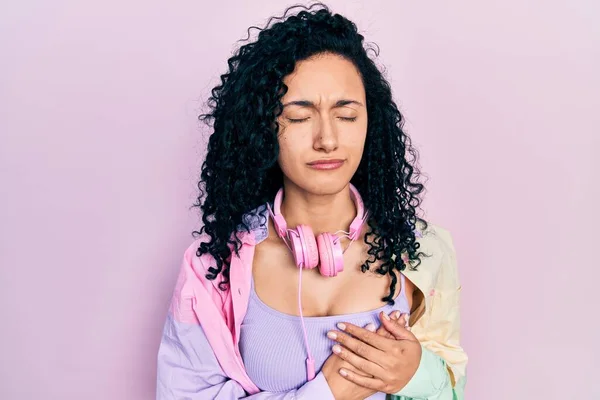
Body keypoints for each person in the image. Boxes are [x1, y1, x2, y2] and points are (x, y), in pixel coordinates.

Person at [156, 3, 468, 399]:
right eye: (300, 117)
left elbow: (453, 388)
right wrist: (326, 392)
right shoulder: (213, 266)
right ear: (262, 126)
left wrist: (417, 373)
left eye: (347, 115)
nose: (328, 140)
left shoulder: (424, 252)